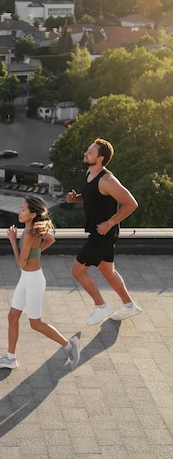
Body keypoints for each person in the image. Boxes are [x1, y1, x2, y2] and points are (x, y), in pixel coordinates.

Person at [0, 196, 80, 370]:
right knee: (12, 316)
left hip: (34, 281)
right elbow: (50, 240)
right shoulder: (34, 230)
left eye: (23, 210)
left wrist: (12, 240)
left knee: (35, 323)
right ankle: (10, 358)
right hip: (27, 278)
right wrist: (36, 254)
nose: (19, 212)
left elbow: (21, 262)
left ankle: (70, 345)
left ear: (32, 215)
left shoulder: (30, 234)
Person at [66, 138, 141, 326]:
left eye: (90, 152)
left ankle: (101, 307)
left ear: (100, 158)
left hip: (104, 232)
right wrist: (76, 199)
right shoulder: (90, 173)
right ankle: (129, 305)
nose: (86, 153)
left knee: (77, 271)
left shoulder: (107, 180)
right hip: (100, 231)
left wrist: (110, 222)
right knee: (107, 270)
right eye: (87, 150)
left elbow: (131, 203)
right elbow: (93, 196)